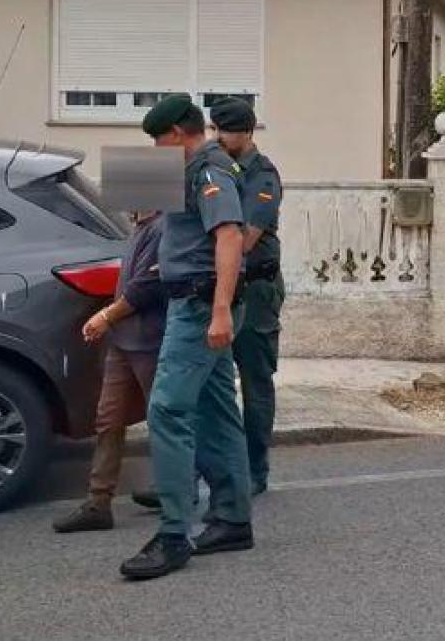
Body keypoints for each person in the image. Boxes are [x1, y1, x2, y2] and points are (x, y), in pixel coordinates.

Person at [120, 95, 253, 581]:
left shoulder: (210, 170)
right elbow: (179, 229)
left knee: (168, 409)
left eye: (158, 139)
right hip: (192, 302)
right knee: (218, 411)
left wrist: (219, 312)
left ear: (178, 132)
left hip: (199, 308)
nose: (155, 148)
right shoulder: (192, 168)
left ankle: (174, 534)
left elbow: (230, 237)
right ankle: (233, 519)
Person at [52, 209, 167, 533]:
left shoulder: (163, 227)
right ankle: (98, 503)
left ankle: (176, 492)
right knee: (108, 419)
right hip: (124, 342)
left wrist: (106, 317)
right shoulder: (140, 227)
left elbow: (146, 287)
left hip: (149, 340)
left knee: (164, 420)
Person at [208, 98, 285, 495]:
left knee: (255, 380)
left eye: (226, 131)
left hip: (255, 289)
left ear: (247, 132)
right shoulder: (220, 170)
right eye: (215, 130)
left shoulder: (263, 176)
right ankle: (198, 474)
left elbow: (246, 238)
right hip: (224, 288)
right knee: (210, 384)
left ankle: (256, 470)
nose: (218, 137)